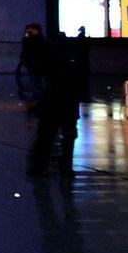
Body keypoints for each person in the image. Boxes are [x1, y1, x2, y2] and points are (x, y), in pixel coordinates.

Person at [27, 29, 82, 176]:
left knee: (46, 137)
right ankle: (65, 167)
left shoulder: (55, 66)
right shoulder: (73, 66)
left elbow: (42, 72)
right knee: (67, 138)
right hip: (68, 107)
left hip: (54, 107)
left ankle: (40, 167)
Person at [14, 24, 47, 99]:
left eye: (31, 29)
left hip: (34, 62)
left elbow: (26, 45)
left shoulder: (37, 38)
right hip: (32, 61)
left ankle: (38, 94)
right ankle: (37, 94)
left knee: (35, 80)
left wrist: (26, 35)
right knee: (35, 79)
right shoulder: (37, 37)